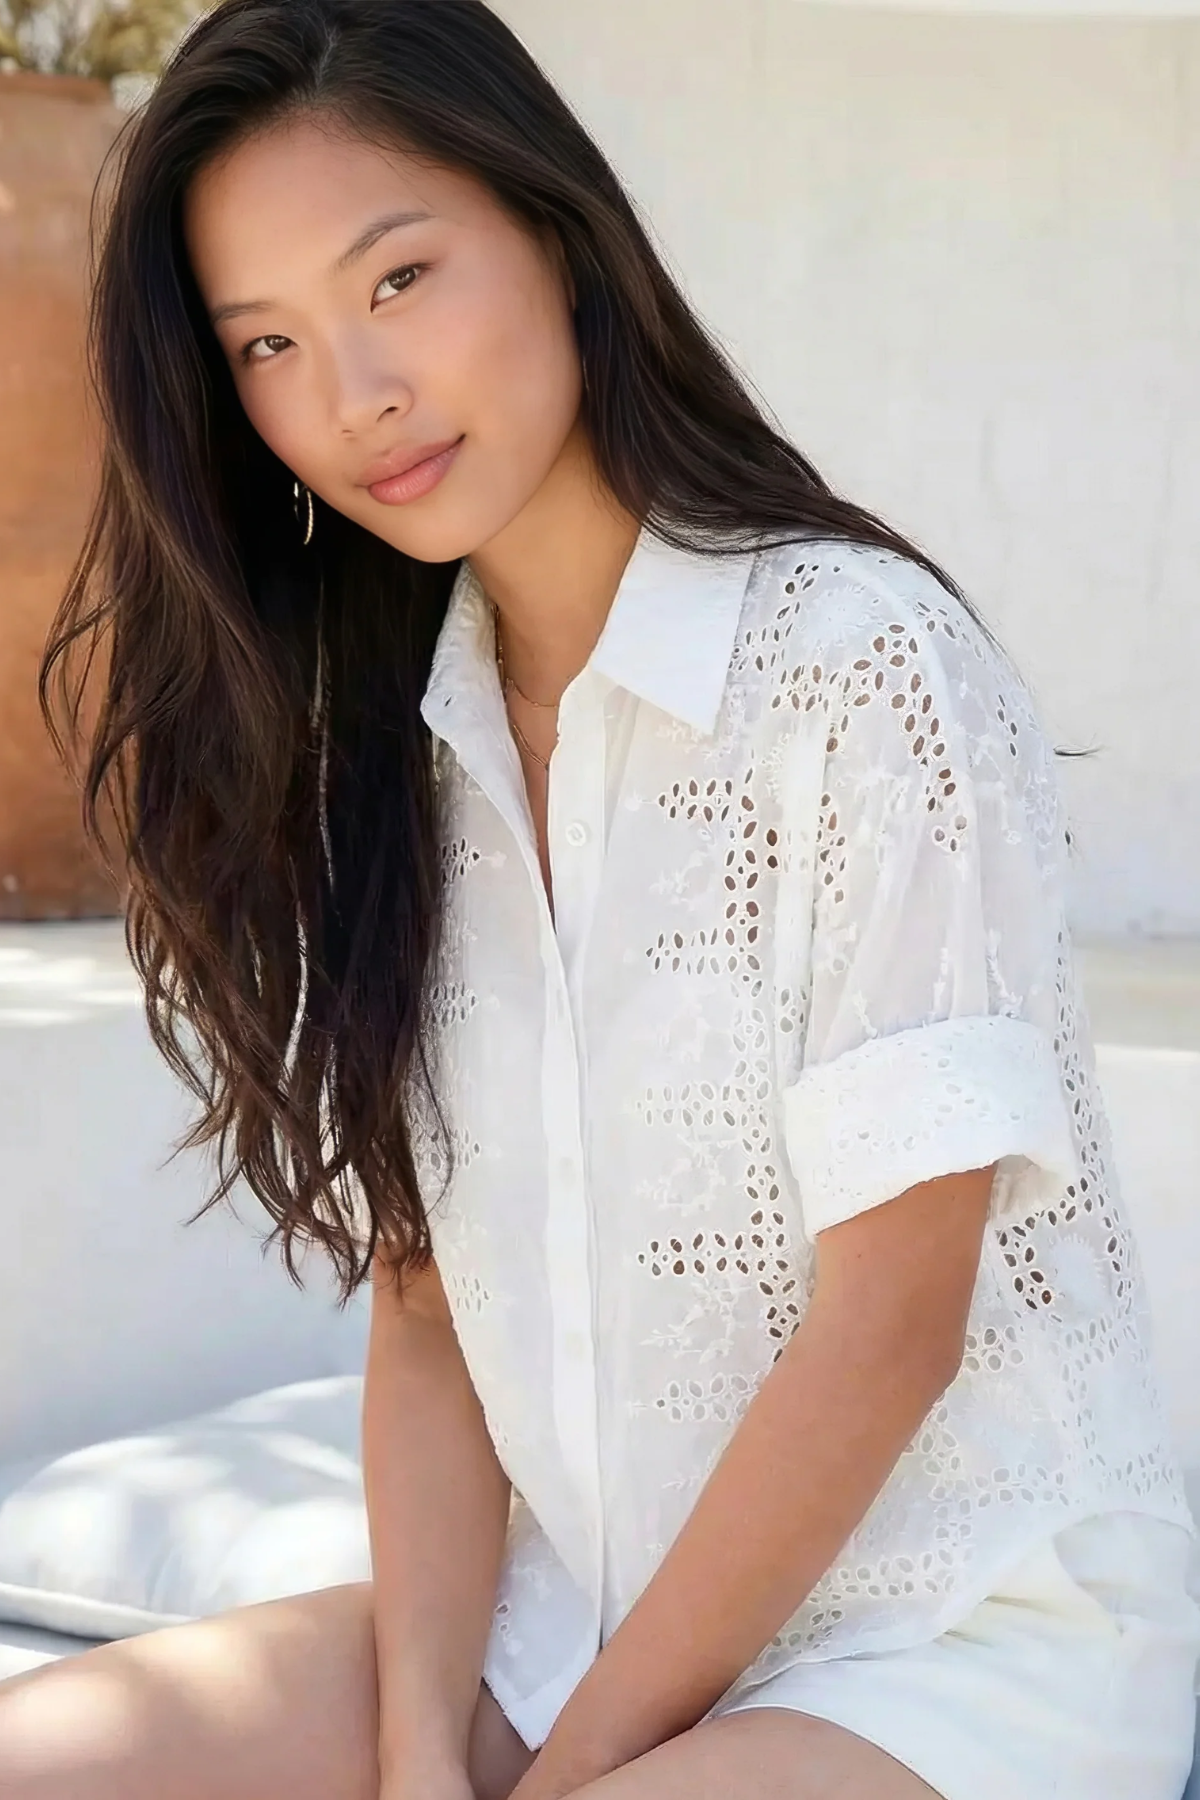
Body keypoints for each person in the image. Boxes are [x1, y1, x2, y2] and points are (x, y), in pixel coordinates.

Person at [9, 1, 1197, 1795]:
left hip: (948, 1643)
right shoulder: (391, 752)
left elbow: (891, 1324)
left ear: (556, 232)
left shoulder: (862, 669)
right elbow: (426, 1320)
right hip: (564, 1623)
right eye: (267, 343)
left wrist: (563, 1782)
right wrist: (422, 1753)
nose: (355, 397)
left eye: (396, 279)